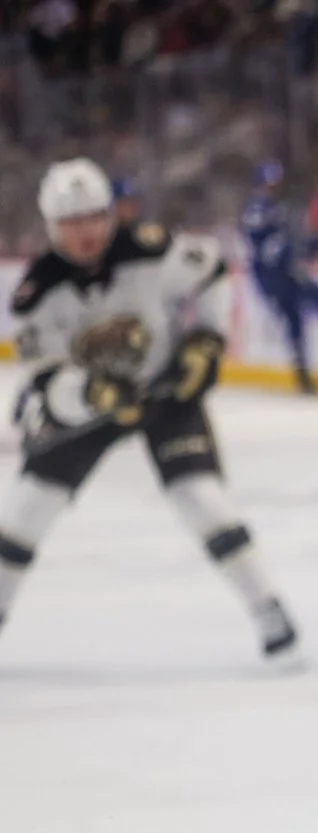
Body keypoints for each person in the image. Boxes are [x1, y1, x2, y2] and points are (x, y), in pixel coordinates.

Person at [3, 157, 298, 661]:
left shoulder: (152, 249)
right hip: (88, 408)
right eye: (72, 222)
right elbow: (44, 380)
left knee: (201, 497)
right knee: (27, 512)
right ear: (52, 226)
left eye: (94, 216)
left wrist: (205, 342)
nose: (86, 231)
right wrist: (88, 395)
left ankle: (267, 608)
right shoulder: (35, 295)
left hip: (163, 392)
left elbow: (211, 272)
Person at [240, 160, 318, 396]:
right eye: (270, 183)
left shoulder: (275, 207)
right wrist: (301, 248)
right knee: (305, 306)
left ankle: (306, 371)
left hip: (282, 273)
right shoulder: (259, 208)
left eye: (276, 183)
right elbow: (267, 245)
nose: (273, 187)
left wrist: (310, 246)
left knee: (298, 318)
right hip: (273, 276)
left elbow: (288, 241)